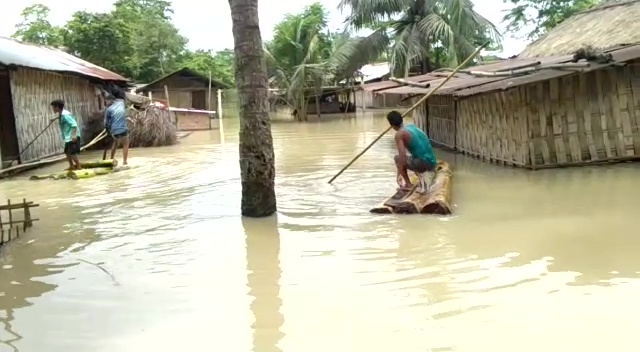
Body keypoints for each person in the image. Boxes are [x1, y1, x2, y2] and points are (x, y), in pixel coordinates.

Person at [387, 110, 437, 193]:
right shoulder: (412, 126)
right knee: (411, 158)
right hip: (433, 162)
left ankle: (408, 185)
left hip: (424, 163)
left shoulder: (399, 134)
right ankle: (422, 177)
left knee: (397, 158)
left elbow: (402, 156)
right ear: (401, 120)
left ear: (392, 125)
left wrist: (398, 174)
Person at [50, 99, 81, 170]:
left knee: (72, 153)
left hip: (72, 136)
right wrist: (55, 119)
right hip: (68, 137)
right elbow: (62, 118)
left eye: (53, 107)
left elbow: (74, 125)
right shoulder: (62, 114)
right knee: (67, 152)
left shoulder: (65, 115)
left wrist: (73, 135)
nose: (53, 109)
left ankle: (79, 166)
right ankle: (72, 166)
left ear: (57, 107)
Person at [104, 89, 130, 165]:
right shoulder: (121, 103)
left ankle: (111, 159)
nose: (106, 103)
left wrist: (108, 131)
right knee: (125, 144)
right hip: (123, 129)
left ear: (110, 101)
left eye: (106, 101)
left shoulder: (109, 109)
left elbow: (105, 123)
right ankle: (125, 161)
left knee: (115, 144)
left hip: (114, 130)